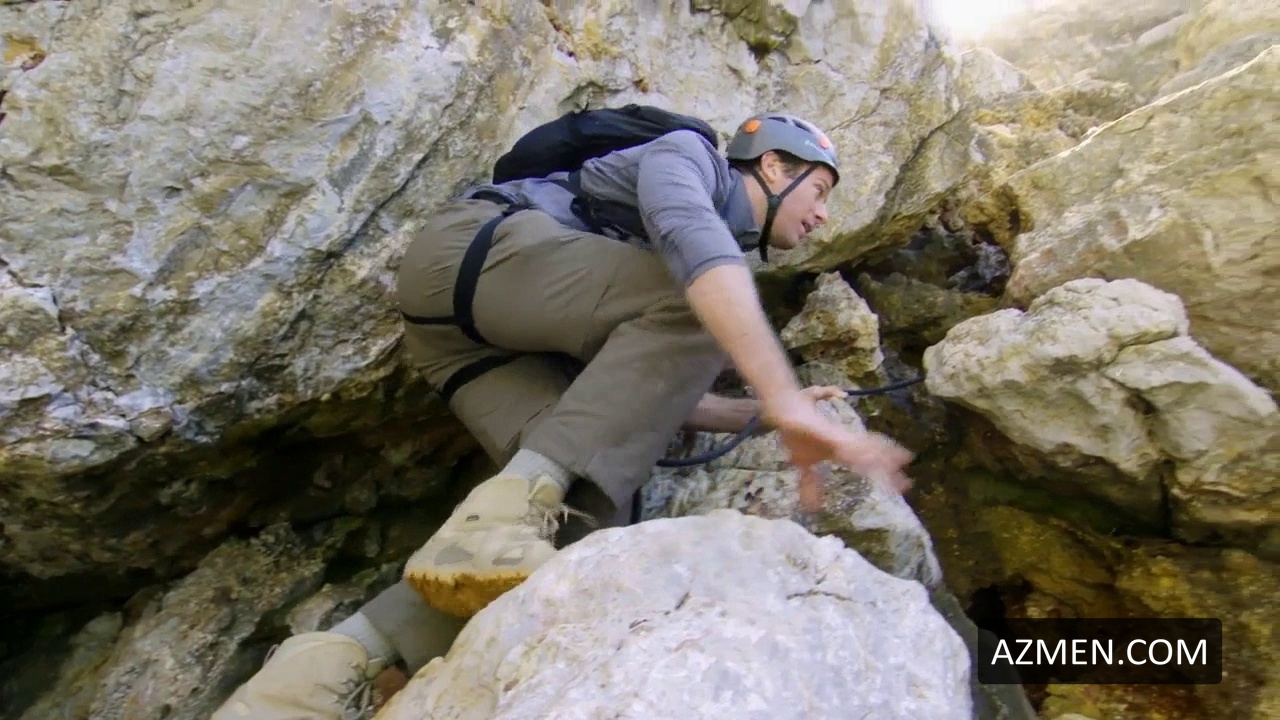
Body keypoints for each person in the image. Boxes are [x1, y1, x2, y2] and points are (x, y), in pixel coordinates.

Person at [210, 111, 913, 719]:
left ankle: (317, 678)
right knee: (702, 299)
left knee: (589, 509)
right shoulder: (689, 154)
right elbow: (694, 250)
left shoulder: (680, 276)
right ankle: (500, 518)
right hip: (471, 254)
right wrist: (783, 394)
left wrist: (762, 414)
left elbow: (631, 394)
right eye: (820, 191)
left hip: (472, 346)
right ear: (773, 165)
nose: (823, 216)